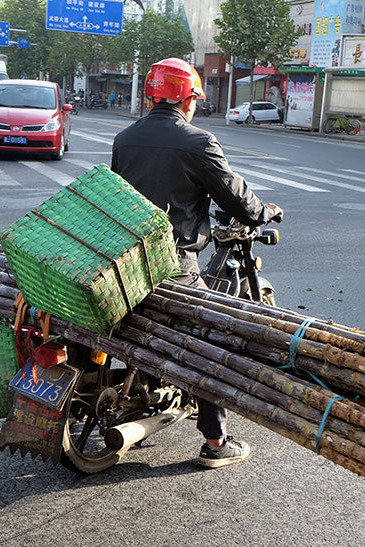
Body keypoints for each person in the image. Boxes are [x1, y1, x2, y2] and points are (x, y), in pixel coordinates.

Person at [111, 58, 283, 469]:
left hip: (125, 262)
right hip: (174, 263)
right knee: (209, 342)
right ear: (188, 99)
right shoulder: (198, 142)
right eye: (194, 99)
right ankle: (215, 441)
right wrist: (264, 211)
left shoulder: (124, 139)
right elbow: (234, 196)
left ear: (151, 96)